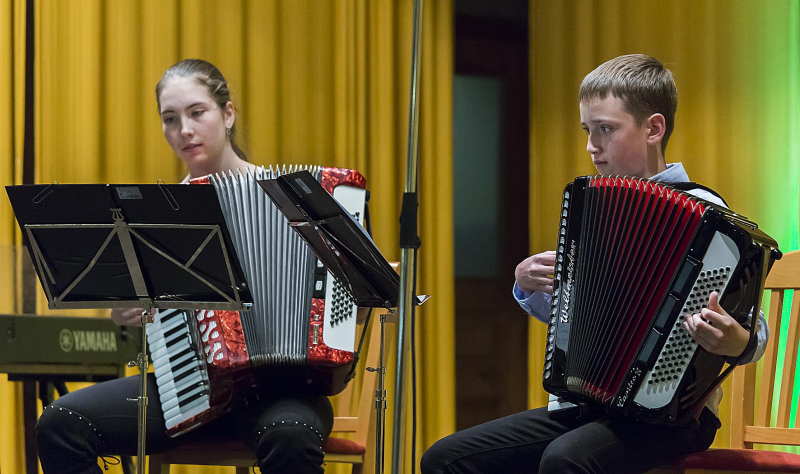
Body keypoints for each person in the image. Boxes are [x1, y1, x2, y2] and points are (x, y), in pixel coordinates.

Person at [420, 54, 769, 474]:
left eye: (605, 129)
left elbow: (754, 327)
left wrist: (738, 342)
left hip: (672, 415)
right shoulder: (595, 209)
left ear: (653, 128)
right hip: (586, 405)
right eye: (588, 130)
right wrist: (528, 285)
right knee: (445, 458)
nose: (591, 144)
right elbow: (580, 322)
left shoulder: (707, 215)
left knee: (567, 459)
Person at [35, 59, 334, 474]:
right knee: (62, 423)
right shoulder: (153, 214)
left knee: (291, 437)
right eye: (170, 119)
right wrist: (124, 313)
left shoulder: (294, 200)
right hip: (188, 385)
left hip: (283, 390)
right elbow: (132, 309)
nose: (185, 131)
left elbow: (341, 290)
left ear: (227, 114)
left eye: (197, 112)